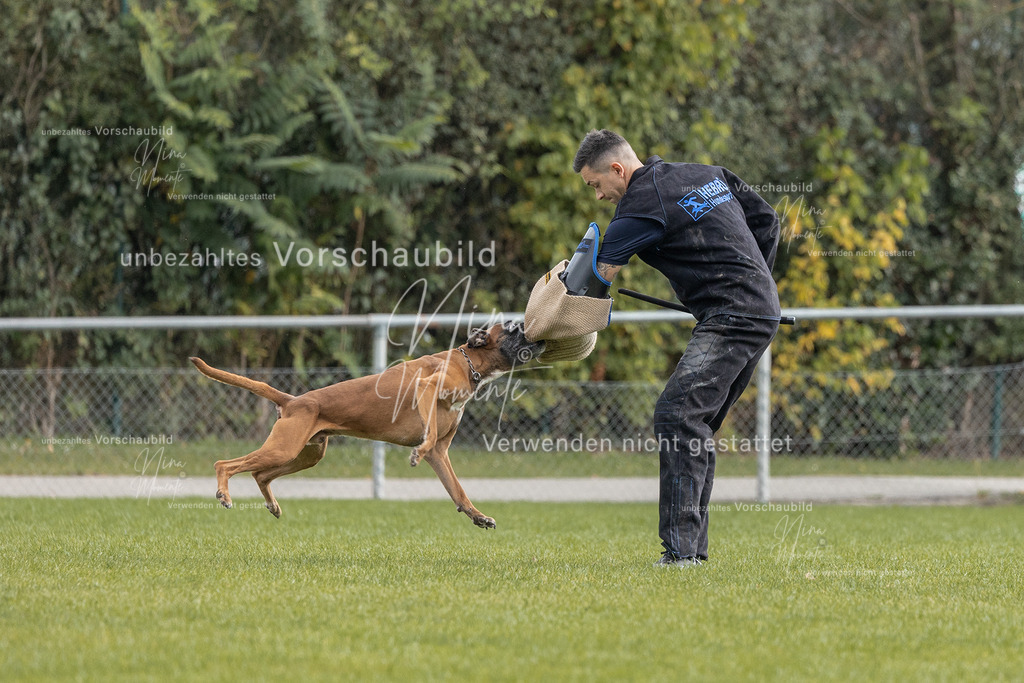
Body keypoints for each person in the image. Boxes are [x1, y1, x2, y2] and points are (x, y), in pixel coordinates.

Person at [572, 129, 782, 567]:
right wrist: (756, 281)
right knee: (694, 424)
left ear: (617, 169)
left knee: (678, 415)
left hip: (733, 313)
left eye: (596, 185)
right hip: (757, 309)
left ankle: (683, 555)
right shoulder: (704, 173)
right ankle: (691, 552)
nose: (598, 197)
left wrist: (550, 325)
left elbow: (593, 280)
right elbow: (767, 222)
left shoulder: (639, 207)